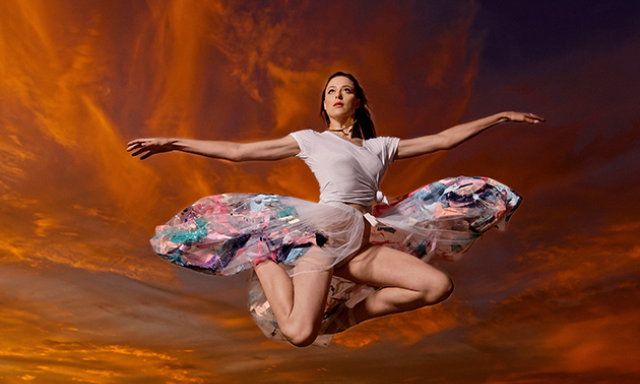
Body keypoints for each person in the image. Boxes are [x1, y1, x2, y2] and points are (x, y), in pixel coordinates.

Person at [127, 72, 543, 348]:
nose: (337, 96)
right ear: (324, 106)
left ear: (358, 102)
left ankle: (345, 320)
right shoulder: (310, 139)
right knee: (299, 333)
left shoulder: (381, 147)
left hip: (361, 243)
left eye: (345, 90)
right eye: (330, 92)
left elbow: (444, 140)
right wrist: (174, 142)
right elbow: (239, 151)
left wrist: (499, 117)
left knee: (436, 287)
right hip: (323, 238)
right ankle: (263, 257)